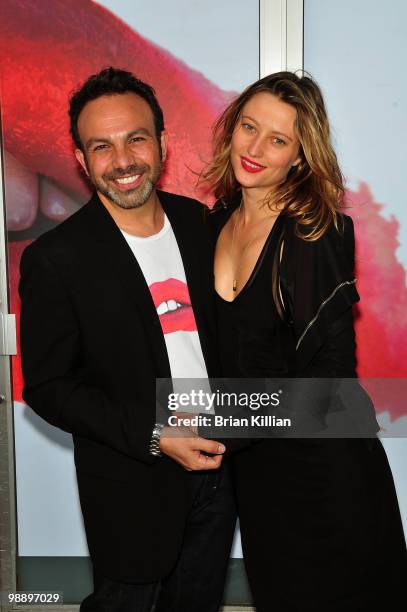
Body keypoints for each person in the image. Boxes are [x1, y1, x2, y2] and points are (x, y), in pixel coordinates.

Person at [19, 67, 236, 612]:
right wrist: (156, 433)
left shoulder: (201, 224)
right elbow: (48, 387)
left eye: (135, 138)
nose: (122, 161)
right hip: (131, 484)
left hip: (219, 473)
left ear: (162, 142)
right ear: (81, 158)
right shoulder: (56, 258)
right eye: (102, 146)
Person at [202, 72, 407, 611]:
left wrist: (215, 419)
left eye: (278, 139)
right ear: (231, 130)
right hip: (259, 479)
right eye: (249, 127)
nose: (255, 148)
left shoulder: (317, 231)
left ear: (300, 155)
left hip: (326, 477)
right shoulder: (214, 223)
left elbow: (330, 390)